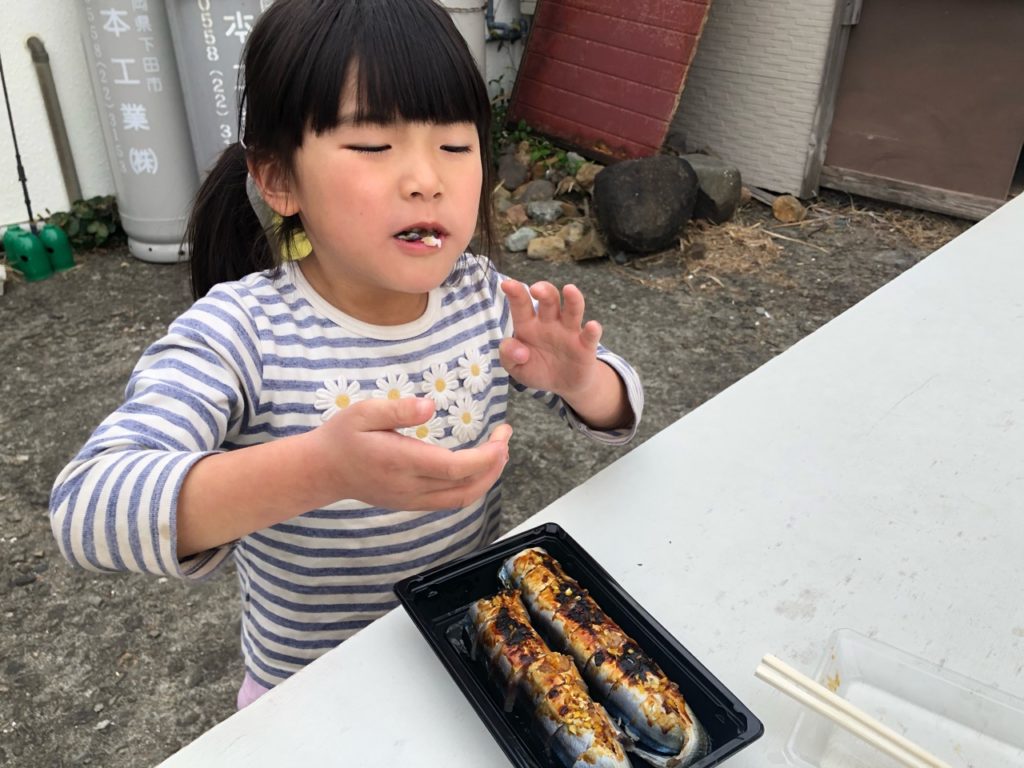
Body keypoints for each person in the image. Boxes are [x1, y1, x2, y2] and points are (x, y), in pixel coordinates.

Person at [50, 0, 643, 710]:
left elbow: (621, 409)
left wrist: (581, 379)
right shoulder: (242, 332)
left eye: (455, 146)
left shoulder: (482, 296)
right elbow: (87, 505)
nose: (426, 179)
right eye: (372, 145)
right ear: (279, 179)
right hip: (310, 698)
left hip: (473, 659)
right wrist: (322, 469)